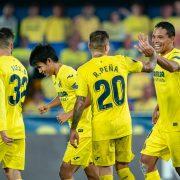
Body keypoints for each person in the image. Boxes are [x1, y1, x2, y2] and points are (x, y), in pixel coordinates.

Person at [70, 30, 157, 180]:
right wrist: (153, 53)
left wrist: (73, 128)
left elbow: (80, 102)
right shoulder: (121, 60)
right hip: (123, 124)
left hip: (102, 127)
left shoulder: (83, 70)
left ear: (90, 46)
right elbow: (150, 67)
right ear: (106, 47)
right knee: (123, 168)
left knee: (104, 169)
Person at [29, 44, 99, 180]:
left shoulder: (68, 74)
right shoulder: (56, 76)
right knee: (92, 174)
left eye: (39, 66)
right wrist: (49, 105)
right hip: (80, 129)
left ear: (49, 61)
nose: (40, 70)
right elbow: (64, 95)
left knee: (65, 172)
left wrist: (69, 114)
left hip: (85, 130)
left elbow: (90, 96)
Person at [139, 22, 180, 179]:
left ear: (172, 39)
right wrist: (158, 106)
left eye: (160, 37)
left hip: (177, 123)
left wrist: (153, 56)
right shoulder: (159, 58)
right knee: (146, 160)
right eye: (154, 37)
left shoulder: (175, 55)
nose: (155, 40)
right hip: (163, 121)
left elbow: (174, 68)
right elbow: (168, 85)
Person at [0, 27, 28, 179]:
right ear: (11, 45)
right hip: (17, 127)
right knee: (13, 172)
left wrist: (1, 129)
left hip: (2, 128)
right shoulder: (22, 68)